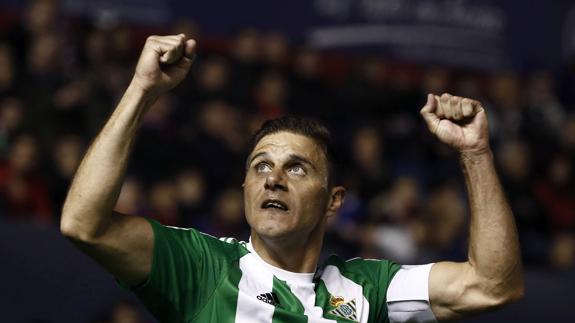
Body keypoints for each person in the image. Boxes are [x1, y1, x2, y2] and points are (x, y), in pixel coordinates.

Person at [60, 34, 524, 323]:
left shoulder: (369, 289)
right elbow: (84, 224)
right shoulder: (202, 268)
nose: (274, 179)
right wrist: (142, 92)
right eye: (260, 166)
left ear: (333, 201)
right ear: (244, 188)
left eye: (296, 168)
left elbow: (492, 285)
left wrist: (476, 153)